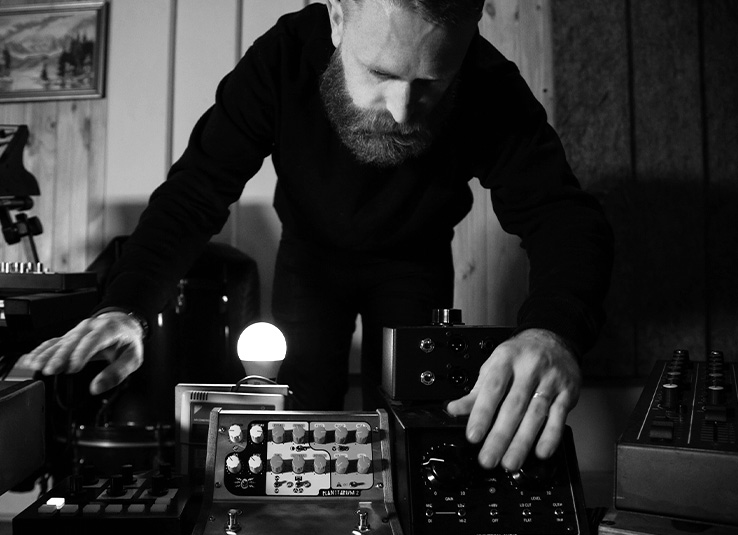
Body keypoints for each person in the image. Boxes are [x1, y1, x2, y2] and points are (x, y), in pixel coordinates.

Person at [18, 0, 613, 472]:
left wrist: (553, 329)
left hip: (416, 260)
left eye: (432, 83)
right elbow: (195, 192)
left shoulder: (489, 83)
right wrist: (127, 305)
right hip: (309, 258)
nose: (403, 110)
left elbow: (560, 214)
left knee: (408, 426)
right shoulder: (281, 57)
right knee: (301, 420)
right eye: (380, 73)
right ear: (336, 17)